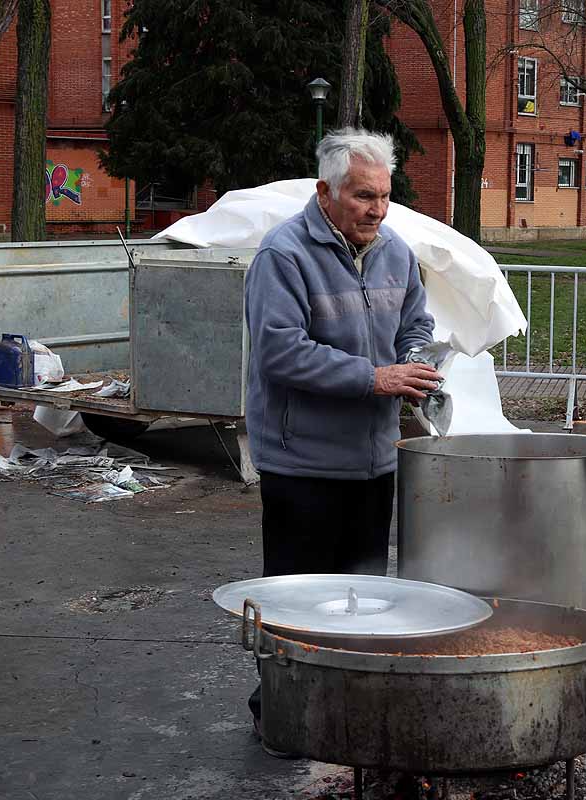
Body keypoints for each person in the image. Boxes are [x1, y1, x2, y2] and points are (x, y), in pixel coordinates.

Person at [242, 128, 439, 744]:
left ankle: (343, 711)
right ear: (325, 192)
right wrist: (375, 378)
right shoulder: (284, 256)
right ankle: (279, 713)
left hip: (373, 461)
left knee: (361, 598)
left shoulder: (396, 252)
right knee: (296, 601)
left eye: (383, 196)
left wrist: (413, 359)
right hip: (301, 464)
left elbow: (417, 322)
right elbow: (281, 353)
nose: (376, 209)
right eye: (362, 196)